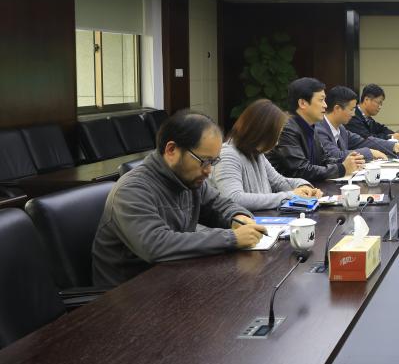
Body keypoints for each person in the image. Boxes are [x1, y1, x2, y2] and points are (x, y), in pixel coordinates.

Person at [92, 111, 265, 287]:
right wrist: (232, 238)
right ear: (171, 150)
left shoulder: (190, 179)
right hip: (129, 292)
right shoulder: (131, 190)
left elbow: (219, 204)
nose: (208, 171)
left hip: (173, 279)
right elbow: (156, 245)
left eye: (213, 162)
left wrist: (238, 217)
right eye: (204, 161)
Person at [209, 99, 324, 211]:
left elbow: (279, 181)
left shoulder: (255, 153)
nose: (277, 143)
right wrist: (291, 195)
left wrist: (303, 187)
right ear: (262, 133)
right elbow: (235, 198)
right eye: (276, 136)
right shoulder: (227, 155)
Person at [267, 77, 362, 182]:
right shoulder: (286, 128)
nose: (325, 105)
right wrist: (342, 168)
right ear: (303, 103)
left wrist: (349, 161)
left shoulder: (311, 126)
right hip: (289, 190)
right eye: (321, 100)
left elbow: (323, 160)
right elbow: (300, 170)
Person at [318, 86, 399, 164]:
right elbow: (335, 155)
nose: (353, 114)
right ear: (337, 109)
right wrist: (370, 152)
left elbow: (363, 141)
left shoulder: (341, 129)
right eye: (351, 109)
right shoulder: (319, 129)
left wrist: (393, 146)